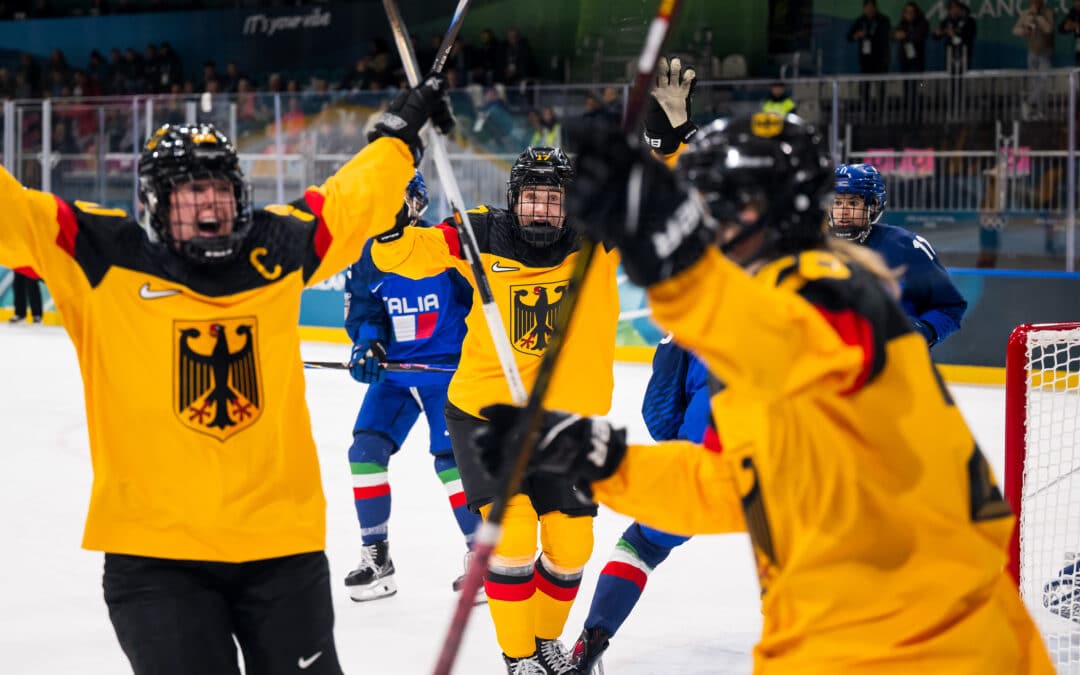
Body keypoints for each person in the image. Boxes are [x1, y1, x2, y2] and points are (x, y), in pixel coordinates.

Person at [473, 105, 1056, 671]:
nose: (707, 226)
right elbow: (732, 487)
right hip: (867, 638)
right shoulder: (786, 314)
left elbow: (774, 332)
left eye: (717, 209)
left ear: (763, 214)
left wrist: (672, 256)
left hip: (911, 648)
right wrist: (603, 461)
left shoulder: (834, 296)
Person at [0, 72, 453, 675]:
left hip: (281, 550)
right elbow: (13, 211)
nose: (209, 204)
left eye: (218, 189)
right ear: (156, 202)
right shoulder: (100, 253)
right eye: (190, 192)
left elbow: (349, 201)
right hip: (155, 558)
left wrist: (398, 138)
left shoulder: (274, 248)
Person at [368, 146, 621, 674]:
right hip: (487, 415)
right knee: (513, 534)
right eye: (532, 198)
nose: (542, 210)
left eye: (554, 200)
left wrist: (667, 148)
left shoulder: (599, 238)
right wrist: (393, 230)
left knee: (572, 545)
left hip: (564, 424)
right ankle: (519, 657)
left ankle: (545, 642)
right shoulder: (481, 232)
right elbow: (410, 254)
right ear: (514, 199)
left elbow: (655, 204)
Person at [341, 170, 480, 603]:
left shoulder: (443, 243)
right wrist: (368, 344)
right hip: (397, 377)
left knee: (451, 462)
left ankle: (484, 560)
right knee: (365, 451)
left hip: (447, 375)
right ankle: (377, 559)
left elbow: (479, 299)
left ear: (414, 203)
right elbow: (367, 311)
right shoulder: (366, 255)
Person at [570, 335, 711, 673]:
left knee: (643, 544)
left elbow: (658, 415)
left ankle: (591, 639)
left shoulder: (694, 316)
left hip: (700, 459)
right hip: (781, 462)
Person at [830, 163, 967, 348]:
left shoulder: (906, 246)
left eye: (853, 203)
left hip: (891, 365)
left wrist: (925, 329)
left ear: (874, 205)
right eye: (837, 202)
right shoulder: (812, 248)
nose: (843, 211)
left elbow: (949, 306)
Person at [1013, 0, 1055, 121]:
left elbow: (1048, 29)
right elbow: (1015, 30)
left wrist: (1038, 16)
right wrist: (1024, 30)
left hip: (1045, 51)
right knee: (1034, 82)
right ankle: (1037, 111)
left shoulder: (1048, 12)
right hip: (1032, 52)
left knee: (1044, 80)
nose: (1034, 3)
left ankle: (1029, 103)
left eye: (1037, 2)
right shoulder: (1026, 13)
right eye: (1032, 2)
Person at [933, 0, 976, 73]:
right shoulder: (947, 21)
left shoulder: (969, 21)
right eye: (950, 8)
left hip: (964, 53)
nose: (953, 10)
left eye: (955, 8)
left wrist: (953, 35)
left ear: (960, 9)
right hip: (950, 54)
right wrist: (938, 33)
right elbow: (936, 36)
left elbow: (968, 38)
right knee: (951, 75)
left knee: (963, 75)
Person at [1060, 0, 1080, 66]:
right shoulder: (1073, 11)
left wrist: (1076, 25)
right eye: (1075, 1)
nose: (1077, 3)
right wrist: (1067, 26)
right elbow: (1061, 28)